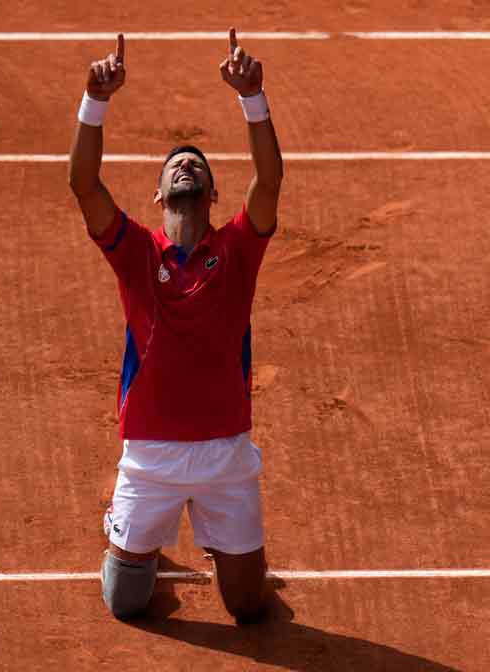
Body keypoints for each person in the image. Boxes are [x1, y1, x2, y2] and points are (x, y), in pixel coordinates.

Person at [68, 28, 283, 624]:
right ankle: (135, 542)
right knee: (125, 602)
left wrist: (252, 98)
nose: (184, 163)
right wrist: (95, 101)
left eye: (195, 164)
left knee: (248, 607)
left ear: (212, 193)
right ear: (158, 194)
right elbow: (84, 185)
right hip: (151, 456)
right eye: (174, 164)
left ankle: (227, 559)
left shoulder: (238, 249)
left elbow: (268, 183)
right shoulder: (135, 250)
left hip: (225, 455)